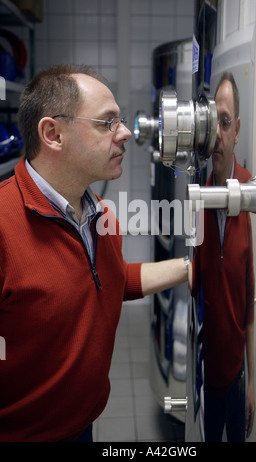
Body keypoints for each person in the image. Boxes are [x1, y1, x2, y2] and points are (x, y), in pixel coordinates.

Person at [0, 64, 190, 442]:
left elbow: (110, 280)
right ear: (53, 134)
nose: (125, 134)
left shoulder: (99, 212)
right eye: (107, 123)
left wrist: (191, 267)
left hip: (81, 425)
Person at [190, 72, 255, 441]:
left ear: (236, 130)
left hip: (237, 370)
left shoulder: (251, 194)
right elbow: (193, 279)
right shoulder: (197, 194)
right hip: (206, 367)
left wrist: (252, 383)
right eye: (213, 122)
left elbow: (250, 298)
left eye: (225, 123)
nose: (217, 134)